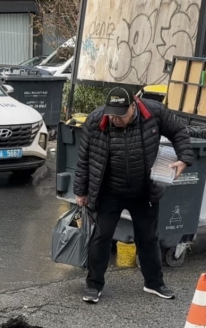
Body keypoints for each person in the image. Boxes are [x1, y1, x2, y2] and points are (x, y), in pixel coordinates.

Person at [74, 87, 194, 304]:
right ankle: (93, 286)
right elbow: (84, 158)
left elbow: (179, 131)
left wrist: (184, 158)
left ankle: (154, 283)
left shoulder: (154, 112)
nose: (115, 119)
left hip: (143, 190)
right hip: (109, 191)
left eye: (120, 115)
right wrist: (81, 191)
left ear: (133, 106)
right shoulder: (95, 120)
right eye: (111, 114)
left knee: (148, 238)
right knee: (101, 237)